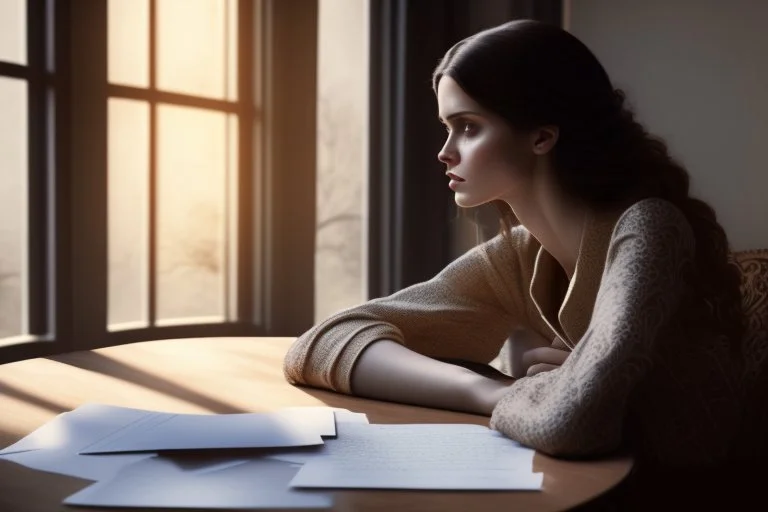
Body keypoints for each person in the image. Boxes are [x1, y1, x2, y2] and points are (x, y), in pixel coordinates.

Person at [283, 20, 753, 478]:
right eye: (447, 127)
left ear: (542, 136)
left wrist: (574, 390)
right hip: (585, 484)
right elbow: (321, 344)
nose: (445, 152)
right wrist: (488, 390)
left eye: (468, 127)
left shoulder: (649, 227)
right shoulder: (520, 252)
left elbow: (574, 423)